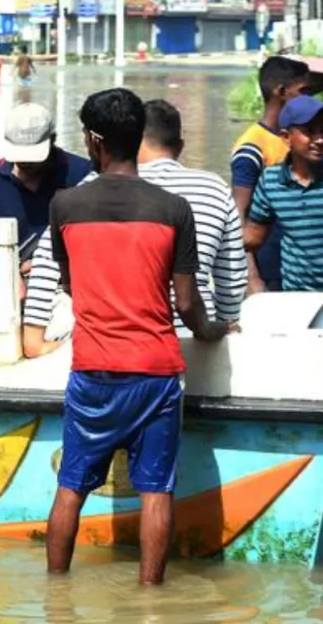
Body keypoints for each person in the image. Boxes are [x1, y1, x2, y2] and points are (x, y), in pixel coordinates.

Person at [42, 88, 229, 586]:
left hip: (94, 370)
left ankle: (54, 595)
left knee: (70, 487)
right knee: (155, 491)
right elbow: (188, 304)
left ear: (96, 141)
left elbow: (69, 282)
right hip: (155, 371)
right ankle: (150, 601)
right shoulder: (173, 209)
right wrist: (215, 330)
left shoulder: (65, 205)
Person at [22, 99, 247, 358]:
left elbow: (47, 267)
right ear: (180, 146)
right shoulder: (213, 189)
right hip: (189, 343)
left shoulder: (83, 193)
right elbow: (231, 279)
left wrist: (34, 340)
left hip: (103, 346)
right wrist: (221, 326)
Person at [232, 56, 312, 294]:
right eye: (303, 91)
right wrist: (252, 278)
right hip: (270, 270)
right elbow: (239, 216)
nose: (309, 99)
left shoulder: (300, 140)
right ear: (281, 92)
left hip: (302, 273)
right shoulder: (252, 147)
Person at [0, 103, 92, 248]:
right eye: (21, 155)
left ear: (52, 140)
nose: (27, 162)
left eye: (33, 157)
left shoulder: (82, 175)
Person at [245, 94, 323, 291]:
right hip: (296, 300)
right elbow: (251, 240)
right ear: (286, 137)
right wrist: (254, 283)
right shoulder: (271, 182)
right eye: (309, 131)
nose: (320, 139)